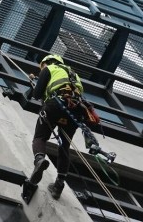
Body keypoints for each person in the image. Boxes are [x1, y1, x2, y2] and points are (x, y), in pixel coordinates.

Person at [26, 53, 95, 200]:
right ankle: (59, 183)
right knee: (64, 147)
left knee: (40, 137)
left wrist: (34, 85)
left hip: (55, 105)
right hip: (76, 109)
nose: (42, 69)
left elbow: (37, 94)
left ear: (46, 63)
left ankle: (39, 161)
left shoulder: (49, 69)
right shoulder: (73, 74)